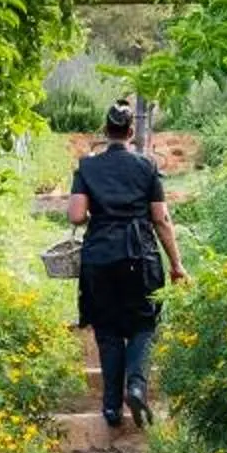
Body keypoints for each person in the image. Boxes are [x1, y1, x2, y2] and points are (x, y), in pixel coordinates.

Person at [69, 98, 187, 429]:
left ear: (106, 132)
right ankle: (136, 386)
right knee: (142, 325)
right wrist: (176, 264)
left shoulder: (87, 167)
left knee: (107, 331)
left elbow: (77, 215)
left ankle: (110, 408)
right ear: (131, 132)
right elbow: (161, 219)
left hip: (100, 257)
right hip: (141, 256)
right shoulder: (147, 167)